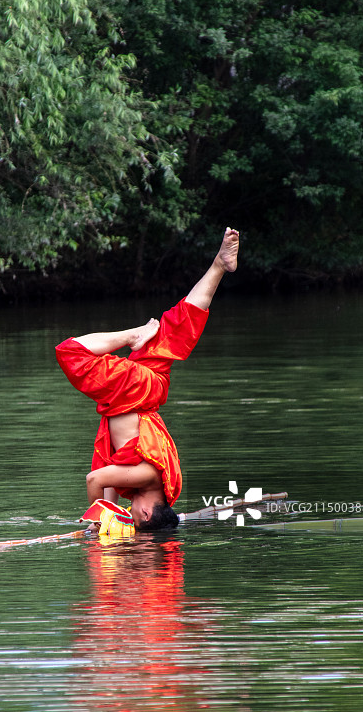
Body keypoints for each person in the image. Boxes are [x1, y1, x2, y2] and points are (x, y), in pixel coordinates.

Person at [55, 227, 240, 531]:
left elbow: (109, 482)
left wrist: (108, 510)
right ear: (146, 515)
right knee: (70, 353)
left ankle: (219, 265)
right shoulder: (147, 478)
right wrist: (97, 520)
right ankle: (133, 333)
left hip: (146, 390)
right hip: (132, 392)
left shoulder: (152, 482)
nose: (130, 509)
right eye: (134, 513)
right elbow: (95, 479)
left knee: (179, 327)